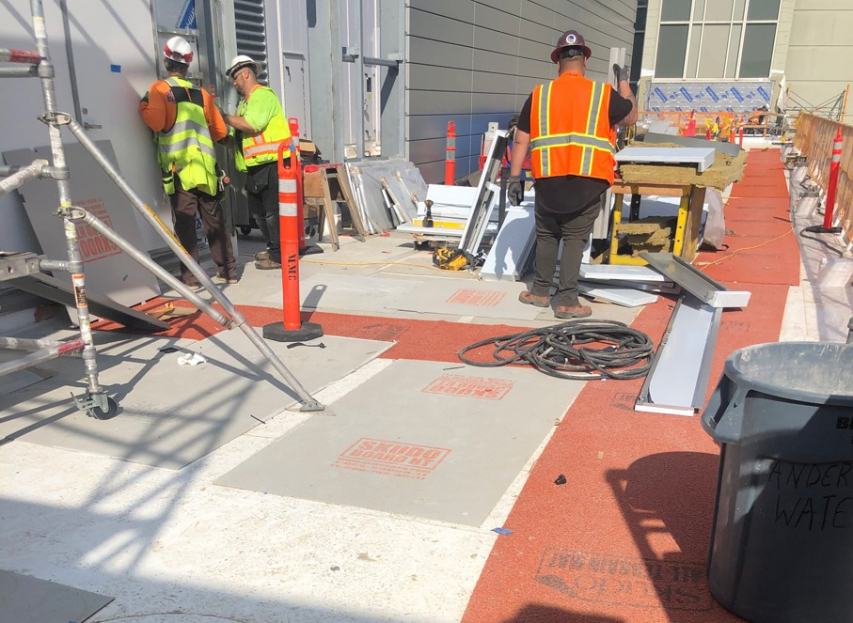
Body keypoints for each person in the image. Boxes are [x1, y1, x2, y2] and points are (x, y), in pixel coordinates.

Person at [508, 29, 637, 319]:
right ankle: (567, 300)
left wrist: (514, 177)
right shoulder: (602, 93)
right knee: (574, 238)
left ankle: (540, 292)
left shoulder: (540, 94)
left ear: (557, 62)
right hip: (589, 180)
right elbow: (630, 118)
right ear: (584, 61)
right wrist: (624, 82)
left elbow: (521, 138)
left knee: (547, 235)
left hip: (548, 178)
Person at [139, 36, 238, 289]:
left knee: (185, 224)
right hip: (206, 170)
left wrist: (143, 106)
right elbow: (218, 131)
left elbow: (157, 123)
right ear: (188, 65)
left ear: (166, 61)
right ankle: (228, 271)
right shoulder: (202, 94)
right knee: (214, 221)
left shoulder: (159, 90)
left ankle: (191, 277)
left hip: (180, 170)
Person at [222, 55, 292, 269]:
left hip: (271, 163)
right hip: (256, 166)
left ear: (246, 74)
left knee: (271, 213)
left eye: (235, 78)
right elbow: (240, 140)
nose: (234, 83)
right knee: (259, 214)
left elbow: (253, 124)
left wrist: (223, 117)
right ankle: (273, 249)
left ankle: (280, 255)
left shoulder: (262, 96)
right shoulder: (245, 104)